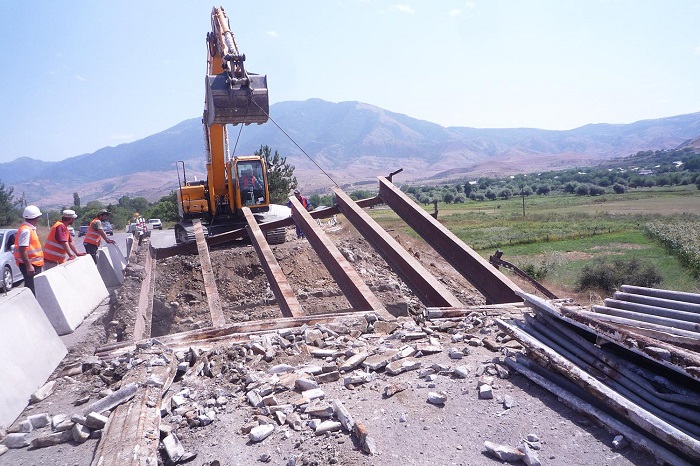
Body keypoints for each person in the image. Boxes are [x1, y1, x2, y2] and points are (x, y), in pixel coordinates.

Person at [13, 205, 44, 295]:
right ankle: (31, 306)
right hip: (31, 264)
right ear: (36, 217)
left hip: (33, 264)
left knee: (34, 286)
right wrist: (29, 266)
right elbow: (22, 249)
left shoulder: (28, 228)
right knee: (32, 288)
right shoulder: (26, 230)